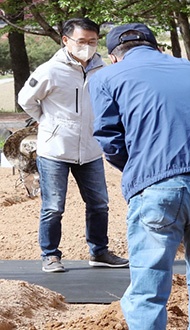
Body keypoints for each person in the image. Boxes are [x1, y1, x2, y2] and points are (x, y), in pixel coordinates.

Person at [89, 23, 190, 329]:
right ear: (158, 48)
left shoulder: (105, 76)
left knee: (148, 291)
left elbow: (109, 139)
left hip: (159, 183)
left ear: (114, 56)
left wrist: (140, 169)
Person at [17, 18, 128, 273]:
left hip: (90, 149)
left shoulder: (103, 69)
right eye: (81, 41)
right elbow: (26, 99)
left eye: (92, 41)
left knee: (99, 203)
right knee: (54, 206)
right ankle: (50, 255)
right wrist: (47, 121)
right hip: (55, 149)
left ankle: (99, 252)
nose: (87, 46)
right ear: (66, 40)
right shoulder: (50, 70)